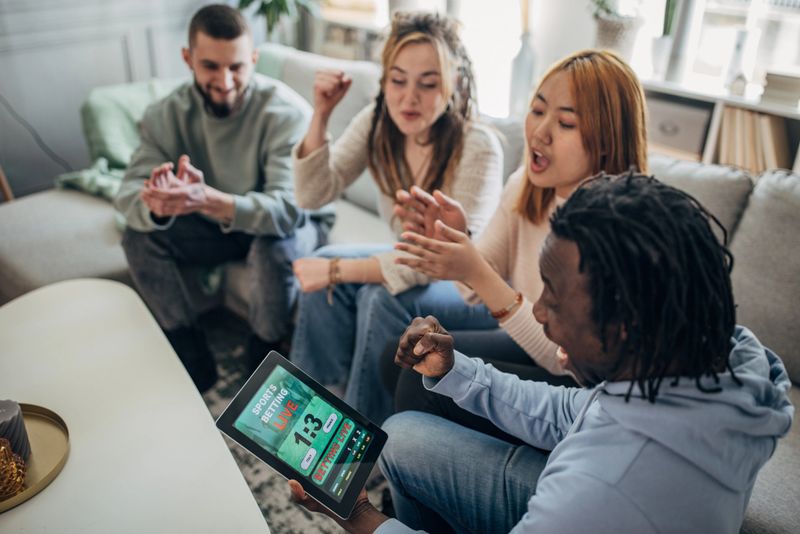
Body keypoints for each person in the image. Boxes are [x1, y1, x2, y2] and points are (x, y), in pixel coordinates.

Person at [289, 172, 795, 533]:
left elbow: (595, 464)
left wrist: (360, 519)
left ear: (626, 325)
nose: (540, 312)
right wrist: (455, 370)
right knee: (400, 436)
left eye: (553, 296)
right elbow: (572, 412)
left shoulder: (603, 490)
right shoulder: (718, 356)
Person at [386, 48, 647, 438]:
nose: (540, 132)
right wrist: (458, 240)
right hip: (533, 351)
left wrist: (474, 267)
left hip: (585, 393)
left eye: (565, 123)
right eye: (538, 110)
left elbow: (564, 363)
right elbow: (471, 291)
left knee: (418, 381)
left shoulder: (617, 226)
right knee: (403, 357)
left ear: (607, 140)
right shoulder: (526, 186)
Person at [289, 11, 504, 422]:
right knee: (335, 263)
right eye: (398, 80)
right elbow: (312, 193)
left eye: (428, 84)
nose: (409, 98)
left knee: (377, 293)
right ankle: (314, 407)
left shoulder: (479, 147)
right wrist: (321, 114)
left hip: (472, 288)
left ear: (454, 84)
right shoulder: (377, 124)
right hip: (415, 261)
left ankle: (361, 443)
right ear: (384, 80)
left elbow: (438, 264)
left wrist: (335, 270)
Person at [114, 4, 332, 392]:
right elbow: (128, 194)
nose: (226, 80)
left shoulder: (286, 113)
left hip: (287, 226)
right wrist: (156, 204)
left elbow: (287, 211)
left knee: (273, 248)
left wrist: (206, 200)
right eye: (211, 66)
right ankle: (190, 351)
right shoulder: (165, 114)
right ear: (188, 59)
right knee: (138, 237)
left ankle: (264, 357)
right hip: (216, 225)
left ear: (253, 59)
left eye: (237, 67)